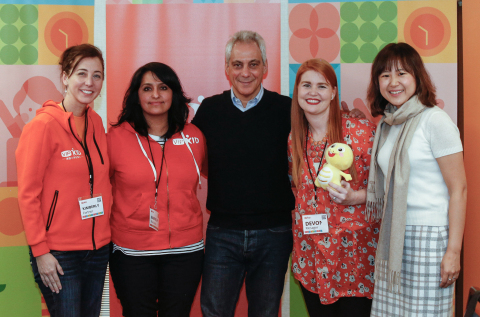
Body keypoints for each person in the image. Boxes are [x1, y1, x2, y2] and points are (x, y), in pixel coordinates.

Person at [192, 30, 295, 317]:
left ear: (265, 67)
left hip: (275, 234)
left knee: (265, 312)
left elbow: (314, 152)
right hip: (222, 233)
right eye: (237, 65)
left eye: (253, 64)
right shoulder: (209, 111)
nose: (245, 72)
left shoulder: (287, 109)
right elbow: (196, 163)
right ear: (227, 69)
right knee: (214, 312)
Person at [366, 43, 466, 317]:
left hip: (430, 240)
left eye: (402, 73)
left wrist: (453, 251)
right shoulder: (387, 126)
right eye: (385, 75)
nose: (393, 82)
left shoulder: (435, 120)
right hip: (393, 238)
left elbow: (459, 190)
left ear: (417, 77)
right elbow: (388, 189)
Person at [16, 44, 111, 317]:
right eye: (82, 73)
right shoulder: (43, 126)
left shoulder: (96, 123)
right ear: (65, 77)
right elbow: (28, 194)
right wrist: (40, 251)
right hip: (58, 254)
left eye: (97, 75)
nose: (89, 82)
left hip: (97, 249)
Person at [108, 62, 206, 317]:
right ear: (136, 95)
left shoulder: (194, 136)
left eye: (163, 87)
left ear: (173, 93)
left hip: (185, 252)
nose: (155, 95)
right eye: (147, 88)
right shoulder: (115, 139)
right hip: (133, 252)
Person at [288, 58, 379, 317]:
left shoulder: (361, 131)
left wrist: (356, 196)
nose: (313, 93)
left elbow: (390, 190)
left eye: (322, 86)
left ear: (334, 92)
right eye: (306, 85)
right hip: (311, 257)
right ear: (297, 92)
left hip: (354, 258)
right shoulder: (294, 139)